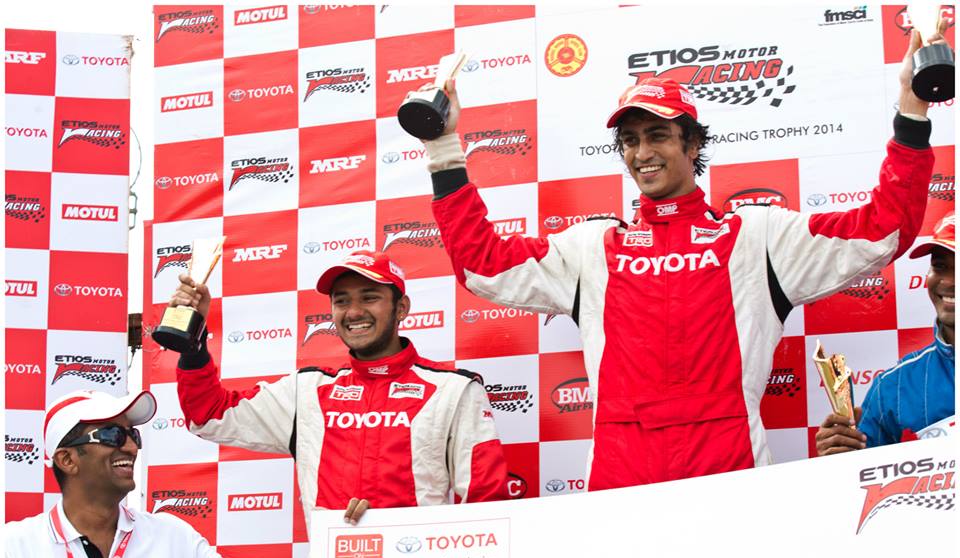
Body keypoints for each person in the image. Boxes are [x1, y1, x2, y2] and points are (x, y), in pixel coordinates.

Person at [411, 24, 948, 489]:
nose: (642, 153)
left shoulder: (756, 235)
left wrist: (912, 107)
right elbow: (483, 262)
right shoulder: (592, 249)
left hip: (728, 470)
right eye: (630, 140)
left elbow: (881, 230)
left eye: (658, 135)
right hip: (621, 476)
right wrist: (442, 149)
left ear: (692, 145)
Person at [171, 249, 509, 531]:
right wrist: (192, 339)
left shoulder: (453, 389)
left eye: (370, 298)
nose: (354, 312)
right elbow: (208, 414)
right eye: (342, 301)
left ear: (402, 308)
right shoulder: (307, 390)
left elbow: (488, 504)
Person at [5, 389, 308, 558]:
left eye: (133, 435)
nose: (131, 447)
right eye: (112, 435)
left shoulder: (174, 538)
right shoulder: (13, 547)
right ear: (67, 460)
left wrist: (336, 556)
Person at [816, 213, 955, 454]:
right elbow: (862, 473)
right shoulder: (895, 385)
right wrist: (841, 455)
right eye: (940, 266)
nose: (949, 281)